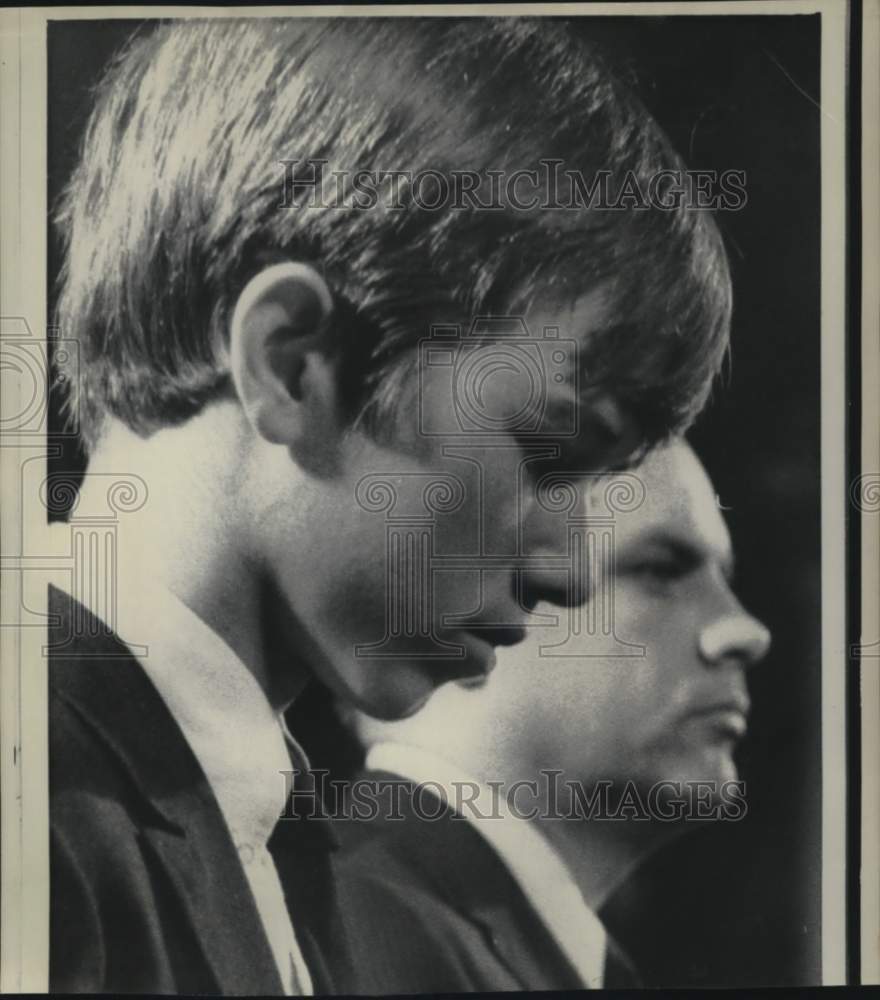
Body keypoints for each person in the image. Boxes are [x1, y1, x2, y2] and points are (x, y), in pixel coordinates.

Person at [48, 16, 733, 994]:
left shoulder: (263, 838)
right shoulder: (43, 817)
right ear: (290, 364)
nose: (568, 569)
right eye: (551, 451)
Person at [336, 439, 771, 991]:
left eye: (723, 579)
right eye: (659, 569)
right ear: (456, 602)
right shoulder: (359, 925)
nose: (745, 631)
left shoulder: (416, 921)